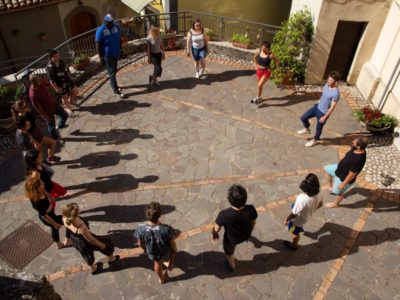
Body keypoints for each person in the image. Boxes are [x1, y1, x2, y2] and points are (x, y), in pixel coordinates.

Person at [62, 202, 120, 274]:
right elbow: (91, 240)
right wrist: (101, 245)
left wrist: (67, 239)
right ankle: (112, 259)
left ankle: (93, 269)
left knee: (87, 255)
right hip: (85, 242)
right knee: (106, 243)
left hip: (76, 241)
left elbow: (68, 229)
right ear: (75, 214)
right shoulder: (81, 226)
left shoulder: (64, 219)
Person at [212, 184, 258, 271]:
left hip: (231, 240)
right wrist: (251, 229)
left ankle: (231, 264)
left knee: (229, 252)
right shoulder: (251, 209)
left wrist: (214, 233)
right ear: (245, 199)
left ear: (230, 200)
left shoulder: (224, 214)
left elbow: (216, 229)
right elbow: (253, 222)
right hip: (246, 235)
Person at [134, 202, 177, 283]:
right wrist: (174, 250)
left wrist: (145, 250)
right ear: (160, 215)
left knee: (156, 263)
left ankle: (161, 279)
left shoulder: (140, 229)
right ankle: (170, 265)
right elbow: (172, 244)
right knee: (171, 254)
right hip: (164, 250)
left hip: (152, 251)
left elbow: (140, 243)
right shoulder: (167, 229)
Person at [25, 173, 70, 249]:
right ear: (37, 188)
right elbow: (45, 216)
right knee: (68, 221)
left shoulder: (36, 192)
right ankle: (67, 240)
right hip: (49, 218)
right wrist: (55, 223)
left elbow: (44, 190)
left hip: (50, 213)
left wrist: (50, 196)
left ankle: (59, 244)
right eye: (41, 183)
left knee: (54, 229)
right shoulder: (38, 202)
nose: (44, 183)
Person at [297, 71, 341, 147]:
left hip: (323, 113)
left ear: (335, 81)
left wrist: (324, 117)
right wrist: (318, 102)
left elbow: (332, 107)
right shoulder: (326, 86)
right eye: (328, 79)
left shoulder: (336, 93)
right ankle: (307, 129)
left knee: (318, 129)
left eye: (330, 80)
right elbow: (323, 95)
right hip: (317, 107)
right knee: (303, 117)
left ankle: (315, 140)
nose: (328, 81)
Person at [324, 136, 368, 208]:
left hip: (343, 178)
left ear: (359, 147)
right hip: (339, 168)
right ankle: (329, 186)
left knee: (339, 192)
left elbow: (352, 175)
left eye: (354, 143)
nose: (352, 142)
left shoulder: (358, 160)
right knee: (327, 169)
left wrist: (343, 184)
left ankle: (336, 204)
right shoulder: (356, 149)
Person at [283, 173, 323, 250]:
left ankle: (294, 246)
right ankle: (300, 230)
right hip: (306, 217)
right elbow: (321, 204)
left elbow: (294, 213)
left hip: (297, 221)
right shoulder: (319, 193)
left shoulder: (302, 199)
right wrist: (313, 208)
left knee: (294, 232)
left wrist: (287, 219)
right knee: (300, 226)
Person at [28, 74, 69, 139]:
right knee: (52, 126)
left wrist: (48, 84)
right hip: (47, 112)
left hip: (54, 104)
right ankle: (55, 138)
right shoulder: (33, 94)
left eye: (40, 80)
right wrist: (45, 117)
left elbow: (48, 84)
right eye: (38, 81)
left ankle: (60, 125)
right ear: (34, 83)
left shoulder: (40, 82)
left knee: (65, 115)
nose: (40, 82)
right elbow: (37, 108)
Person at [95, 14, 125, 98]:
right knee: (111, 72)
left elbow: (119, 39)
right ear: (105, 22)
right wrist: (100, 57)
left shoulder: (116, 27)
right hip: (107, 54)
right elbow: (98, 44)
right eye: (109, 22)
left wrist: (121, 49)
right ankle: (116, 90)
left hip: (116, 52)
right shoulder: (100, 30)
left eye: (112, 22)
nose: (111, 24)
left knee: (114, 71)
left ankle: (112, 84)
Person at [46, 49, 79, 115]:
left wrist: (70, 77)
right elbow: (51, 80)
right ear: (51, 58)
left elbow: (66, 70)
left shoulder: (61, 61)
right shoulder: (50, 67)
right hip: (59, 84)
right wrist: (56, 88)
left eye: (58, 55)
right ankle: (68, 108)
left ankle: (71, 101)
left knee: (76, 91)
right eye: (55, 56)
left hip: (67, 80)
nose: (58, 57)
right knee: (65, 97)